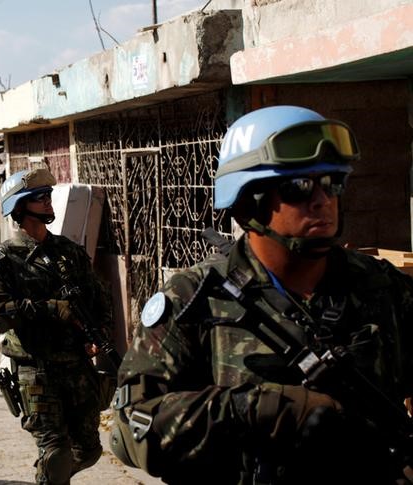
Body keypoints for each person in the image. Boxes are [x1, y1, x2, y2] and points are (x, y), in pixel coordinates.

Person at [110, 105, 413, 484]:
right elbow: (130, 429)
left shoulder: (380, 286)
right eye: (299, 187)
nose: (322, 200)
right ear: (249, 200)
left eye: (332, 183)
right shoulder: (195, 298)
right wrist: (257, 408)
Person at [0, 168, 113, 485]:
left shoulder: (69, 252)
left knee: (89, 451)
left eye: (49, 196)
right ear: (21, 207)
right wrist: (50, 310)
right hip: (35, 369)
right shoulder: (4, 259)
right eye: (41, 198)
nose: (49, 202)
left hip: (76, 365)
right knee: (55, 453)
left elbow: (99, 300)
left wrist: (98, 334)